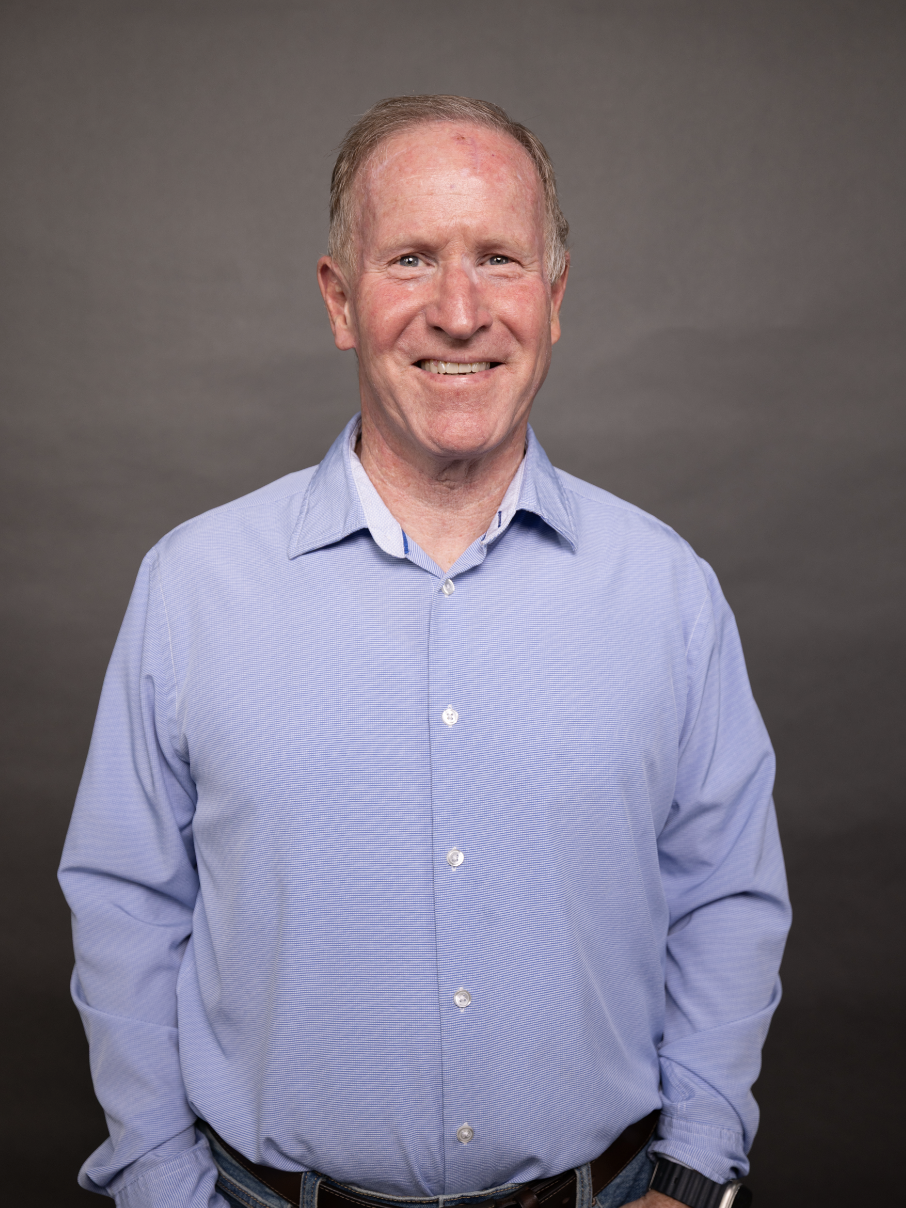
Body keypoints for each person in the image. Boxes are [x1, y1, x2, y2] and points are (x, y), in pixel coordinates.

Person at [59, 95, 790, 1208]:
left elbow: (727, 896)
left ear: (553, 298)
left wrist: (691, 1170)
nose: (460, 311)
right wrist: (161, 1183)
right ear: (340, 300)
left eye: (499, 258)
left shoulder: (668, 592)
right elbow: (125, 906)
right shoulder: (190, 586)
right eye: (412, 258)